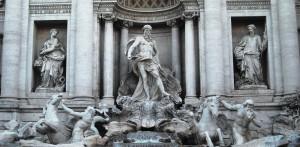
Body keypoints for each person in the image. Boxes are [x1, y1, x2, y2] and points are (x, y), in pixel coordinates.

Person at [126, 25, 170, 100]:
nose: (147, 32)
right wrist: (129, 54)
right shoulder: (139, 39)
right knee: (144, 78)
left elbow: (156, 53)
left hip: (150, 61)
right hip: (141, 60)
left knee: (157, 76)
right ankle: (147, 96)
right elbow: (133, 46)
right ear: (143, 31)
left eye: (149, 30)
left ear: (150, 32)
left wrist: (158, 63)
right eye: (146, 30)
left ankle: (163, 92)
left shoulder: (153, 42)